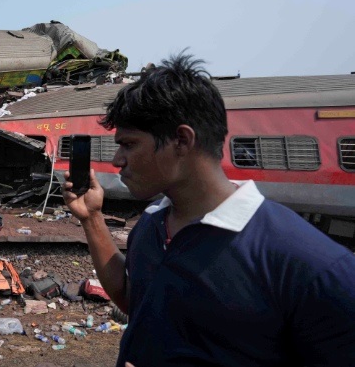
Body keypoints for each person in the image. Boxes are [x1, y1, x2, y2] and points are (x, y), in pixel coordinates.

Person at [63, 52, 355, 367]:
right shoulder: (151, 224)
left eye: (129, 144)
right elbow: (135, 299)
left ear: (181, 140)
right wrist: (92, 218)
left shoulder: (313, 266)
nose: (117, 160)